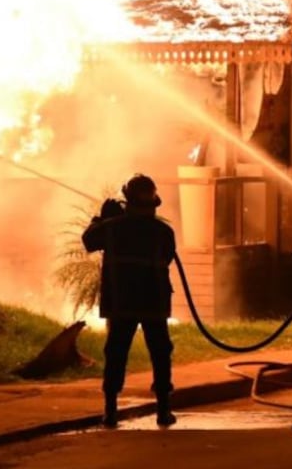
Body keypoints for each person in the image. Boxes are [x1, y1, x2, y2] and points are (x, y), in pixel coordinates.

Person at [82, 174, 177, 428]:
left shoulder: (112, 228)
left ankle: (110, 411)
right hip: (154, 302)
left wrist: (102, 218)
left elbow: (89, 241)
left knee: (116, 353)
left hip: (122, 302)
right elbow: (167, 259)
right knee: (160, 353)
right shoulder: (164, 232)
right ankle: (163, 410)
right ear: (154, 202)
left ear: (127, 199)